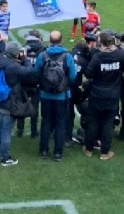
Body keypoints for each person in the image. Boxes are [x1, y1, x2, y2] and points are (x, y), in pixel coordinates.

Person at [0, 41, 35, 166]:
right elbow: (29, 71)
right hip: (9, 101)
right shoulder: (12, 66)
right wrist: (25, 59)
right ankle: (5, 158)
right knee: (6, 131)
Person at [84, 31, 124, 160]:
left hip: (97, 93)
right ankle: (104, 152)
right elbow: (123, 68)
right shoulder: (120, 55)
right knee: (108, 123)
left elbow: (88, 73)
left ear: (100, 43)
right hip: (113, 94)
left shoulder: (97, 57)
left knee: (93, 121)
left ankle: (89, 149)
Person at [35, 30, 77, 162]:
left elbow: (36, 72)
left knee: (46, 121)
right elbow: (73, 76)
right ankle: (58, 152)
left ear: (50, 41)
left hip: (45, 94)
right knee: (60, 123)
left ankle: (43, 150)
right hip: (62, 95)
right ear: (61, 40)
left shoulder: (43, 55)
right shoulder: (67, 56)